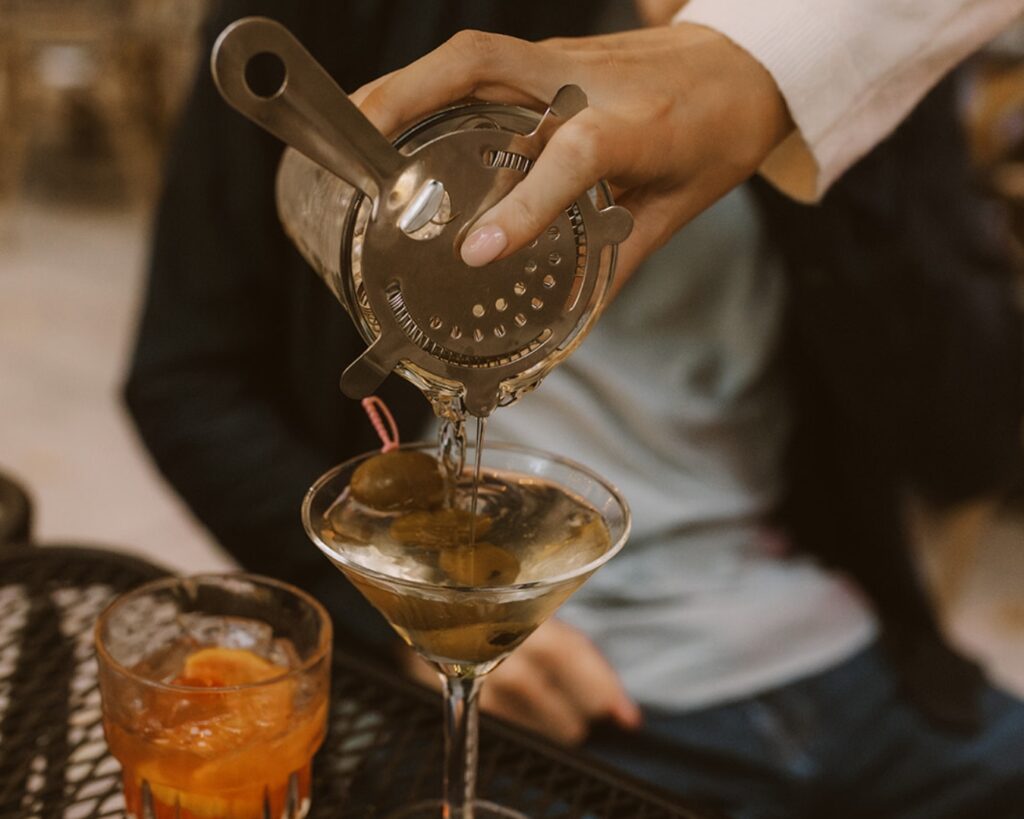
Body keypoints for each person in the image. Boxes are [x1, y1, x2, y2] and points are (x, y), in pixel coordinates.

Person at [125, 1, 1024, 816]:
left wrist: (797, 102)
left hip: (825, 644)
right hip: (548, 698)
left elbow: (971, 440)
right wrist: (400, 625)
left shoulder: (850, 31)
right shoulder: (362, 23)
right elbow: (183, 381)